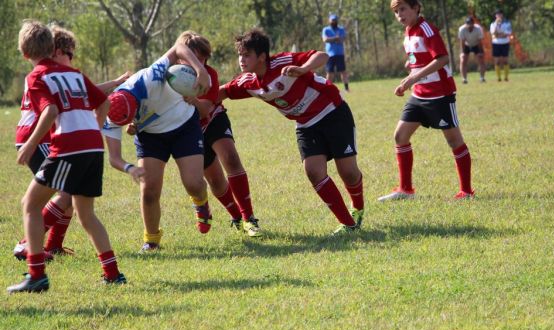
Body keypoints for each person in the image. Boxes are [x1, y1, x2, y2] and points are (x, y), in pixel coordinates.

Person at [8, 20, 126, 293]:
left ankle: (36, 274)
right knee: (86, 215)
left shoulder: (35, 76)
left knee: (30, 204)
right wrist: (94, 129)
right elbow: (105, 102)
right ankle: (113, 274)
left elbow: (49, 113)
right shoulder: (75, 74)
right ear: (53, 47)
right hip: (94, 148)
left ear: (25, 53)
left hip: (68, 149)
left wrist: (29, 146)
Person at [219, 28, 364, 235]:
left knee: (348, 173)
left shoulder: (281, 63)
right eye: (240, 55)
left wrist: (303, 68)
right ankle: (349, 225)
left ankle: (357, 207)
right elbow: (223, 92)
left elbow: (322, 55)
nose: (241, 60)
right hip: (305, 125)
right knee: (313, 171)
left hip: (332, 112)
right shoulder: (248, 81)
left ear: (261, 57)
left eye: (246, 55)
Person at [102, 33, 212, 252]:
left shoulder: (149, 77)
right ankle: (151, 240)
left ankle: (201, 204)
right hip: (151, 137)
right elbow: (114, 158)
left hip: (183, 124)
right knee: (149, 191)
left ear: (135, 104)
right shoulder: (109, 113)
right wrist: (130, 168)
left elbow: (179, 46)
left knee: (194, 183)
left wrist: (201, 70)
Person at [378, 0, 474, 202]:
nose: (399, 15)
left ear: (415, 8)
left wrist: (413, 77)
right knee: (400, 136)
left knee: (454, 141)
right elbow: (418, 58)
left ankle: (466, 191)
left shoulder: (427, 29)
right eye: (396, 12)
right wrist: (410, 68)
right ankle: (405, 190)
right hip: (419, 95)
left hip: (440, 94)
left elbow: (442, 59)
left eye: (403, 9)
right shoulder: (408, 31)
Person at [177, 32, 262, 237]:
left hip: (213, 119)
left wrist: (192, 99)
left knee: (231, 159)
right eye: (196, 57)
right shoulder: (171, 75)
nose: (201, 63)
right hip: (190, 131)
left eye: (205, 58)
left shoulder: (209, 74)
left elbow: (205, 110)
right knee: (215, 182)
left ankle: (249, 218)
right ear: (183, 56)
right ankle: (236, 217)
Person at [322, 13, 350, 92]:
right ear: (329, 21)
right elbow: (325, 39)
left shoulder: (341, 29)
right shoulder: (326, 29)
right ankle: (327, 88)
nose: (334, 22)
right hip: (330, 54)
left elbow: (343, 39)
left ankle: (346, 88)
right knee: (330, 73)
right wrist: (335, 38)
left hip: (340, 54)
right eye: (332, 20)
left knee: (343, 71)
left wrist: (336, 39)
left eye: (335, 20)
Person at [458, 16, 486, 84]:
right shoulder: (462, 29)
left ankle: (482, 78)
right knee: (463, 60)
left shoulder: (478, 29)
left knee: (481, 60)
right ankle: (464, 79)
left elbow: (480, 41)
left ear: (473, 23)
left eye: (471, 23)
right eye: (468, 23)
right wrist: (462, 52)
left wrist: (480, 52)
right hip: (466, 45)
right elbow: (462, 41)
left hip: (476, 44)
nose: (470, 25)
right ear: (466, 24)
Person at [490, 9, 512, 82]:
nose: (499, 15)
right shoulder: (493, 24)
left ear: (502, 15)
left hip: (505, 43)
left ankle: (506, 77)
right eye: (497, 14)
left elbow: (507, 34)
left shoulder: (507, 23)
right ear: (495, 16)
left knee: (505, 60)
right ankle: (498, 78)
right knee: (497, 61)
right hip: (496, 43)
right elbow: (494, 33)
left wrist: (500, 35)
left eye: (500, 14)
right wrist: (497, 25)